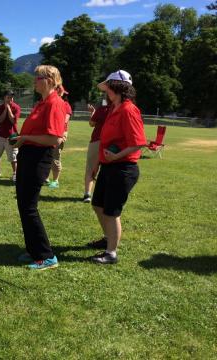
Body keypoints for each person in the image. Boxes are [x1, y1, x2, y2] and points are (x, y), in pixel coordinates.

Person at [88, 70, 146, 264]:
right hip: (109, 166)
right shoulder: (114, 108)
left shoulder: (129, 110)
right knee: (98, 205)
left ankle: (111, 253)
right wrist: (98, 164)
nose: (106, 92)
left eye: (109, 87)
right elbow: (105, 140)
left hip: (123, 168)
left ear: (117, 87)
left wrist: (116, 156)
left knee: (112, 211)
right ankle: (108, 239)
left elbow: (138, 142)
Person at [12, 65, 66, 270]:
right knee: (24, 205)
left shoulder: (55, 103)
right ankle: (34, 250)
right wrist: (22, 139)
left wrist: (25, 138)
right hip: (29, 155)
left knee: (29, 206)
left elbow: (54, 138)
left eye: (38, 77)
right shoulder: (42, 103)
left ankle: (46, 256)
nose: (34, 80)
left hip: (38, 157)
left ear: (49, 80)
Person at [83, 96, 111, 203]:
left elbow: (92, 123)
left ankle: (87, 194)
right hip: (111, 143)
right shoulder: (118, 109)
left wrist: (93, 112)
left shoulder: (102, 109)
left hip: (96, 141)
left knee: (90, 169)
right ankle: (106, 196)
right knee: (107, 170)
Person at [47, 85, 72, 189]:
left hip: (60, 133)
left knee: (55, 157)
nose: (63, 95)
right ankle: (46, 178)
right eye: (61, 92)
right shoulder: (51, 102)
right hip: (50, 132)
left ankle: (55, 180)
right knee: (46, 156)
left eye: (63, 93)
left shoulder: (66, 105)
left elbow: (65, 119)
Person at [0, 91, 21, 182]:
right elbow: (0, 120)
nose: (10, 99)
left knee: (13, 157)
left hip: (12, 136)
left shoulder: (16, 107)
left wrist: (9, 109)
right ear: (4, 98)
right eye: (8, 97)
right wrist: (5, 109)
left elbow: (13, 121)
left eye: (12, 97)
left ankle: (15, 174)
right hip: (0, 135)